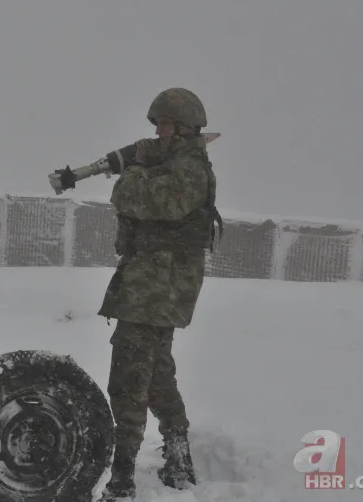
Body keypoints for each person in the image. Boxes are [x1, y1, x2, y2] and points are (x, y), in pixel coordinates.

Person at [97, 87, 222, 500]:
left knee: (129, 381)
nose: (159, 131)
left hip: (156, 290)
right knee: (155, 379)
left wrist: (133, 165)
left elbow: (131, 197)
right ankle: (179, 459)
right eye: (156, 124)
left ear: (186, 128)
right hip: (154, 287)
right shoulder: (177, 164)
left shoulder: (188, 170)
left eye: (166, 124)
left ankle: (121, 479)